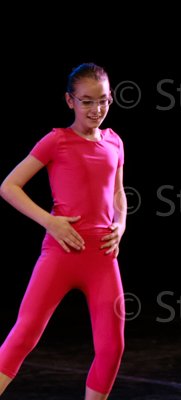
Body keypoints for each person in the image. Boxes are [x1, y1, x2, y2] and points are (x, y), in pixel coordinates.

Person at [0, 63, 127, 400]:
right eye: (87, 101)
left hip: (102, 256)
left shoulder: (114, 142)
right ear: (70, 101)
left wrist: (121, 224)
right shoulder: (57, 140)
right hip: (61, 253)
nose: (96, 109)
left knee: (112, 348)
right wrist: (50, 221)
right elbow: (9, 186)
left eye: (103, 100)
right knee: (24, 335)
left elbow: (118, 192)